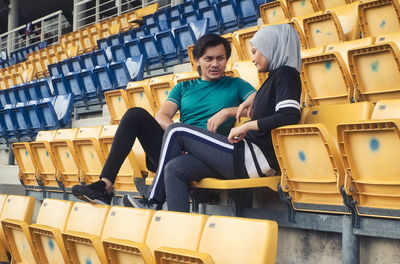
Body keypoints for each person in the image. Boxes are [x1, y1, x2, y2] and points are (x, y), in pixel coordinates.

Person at [126, 24, 302, 212]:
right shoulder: (274, 77)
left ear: (272, 48)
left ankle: (153, 200)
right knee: (174, 168)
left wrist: (247, 126)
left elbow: (290, 115)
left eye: (256, 51)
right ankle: (179, 233)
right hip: (243, 155)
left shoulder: (286, 73)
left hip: (252, 156)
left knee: (176, 130)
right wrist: (240, 110)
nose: (252, 58)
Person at [71, 33, 256, 205]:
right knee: (134, 115)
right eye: (209, 59)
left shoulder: (236, 84)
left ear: (226, 60)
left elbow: (259, 104)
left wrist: (228, 112)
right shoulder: (184, 88)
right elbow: (162, 116)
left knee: (176, 164)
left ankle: (153, 201)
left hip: (209, 153)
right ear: (197, 60)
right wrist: (179, 140)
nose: (215, 64)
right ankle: (105, 186)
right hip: (176, 148)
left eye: (220, 58)